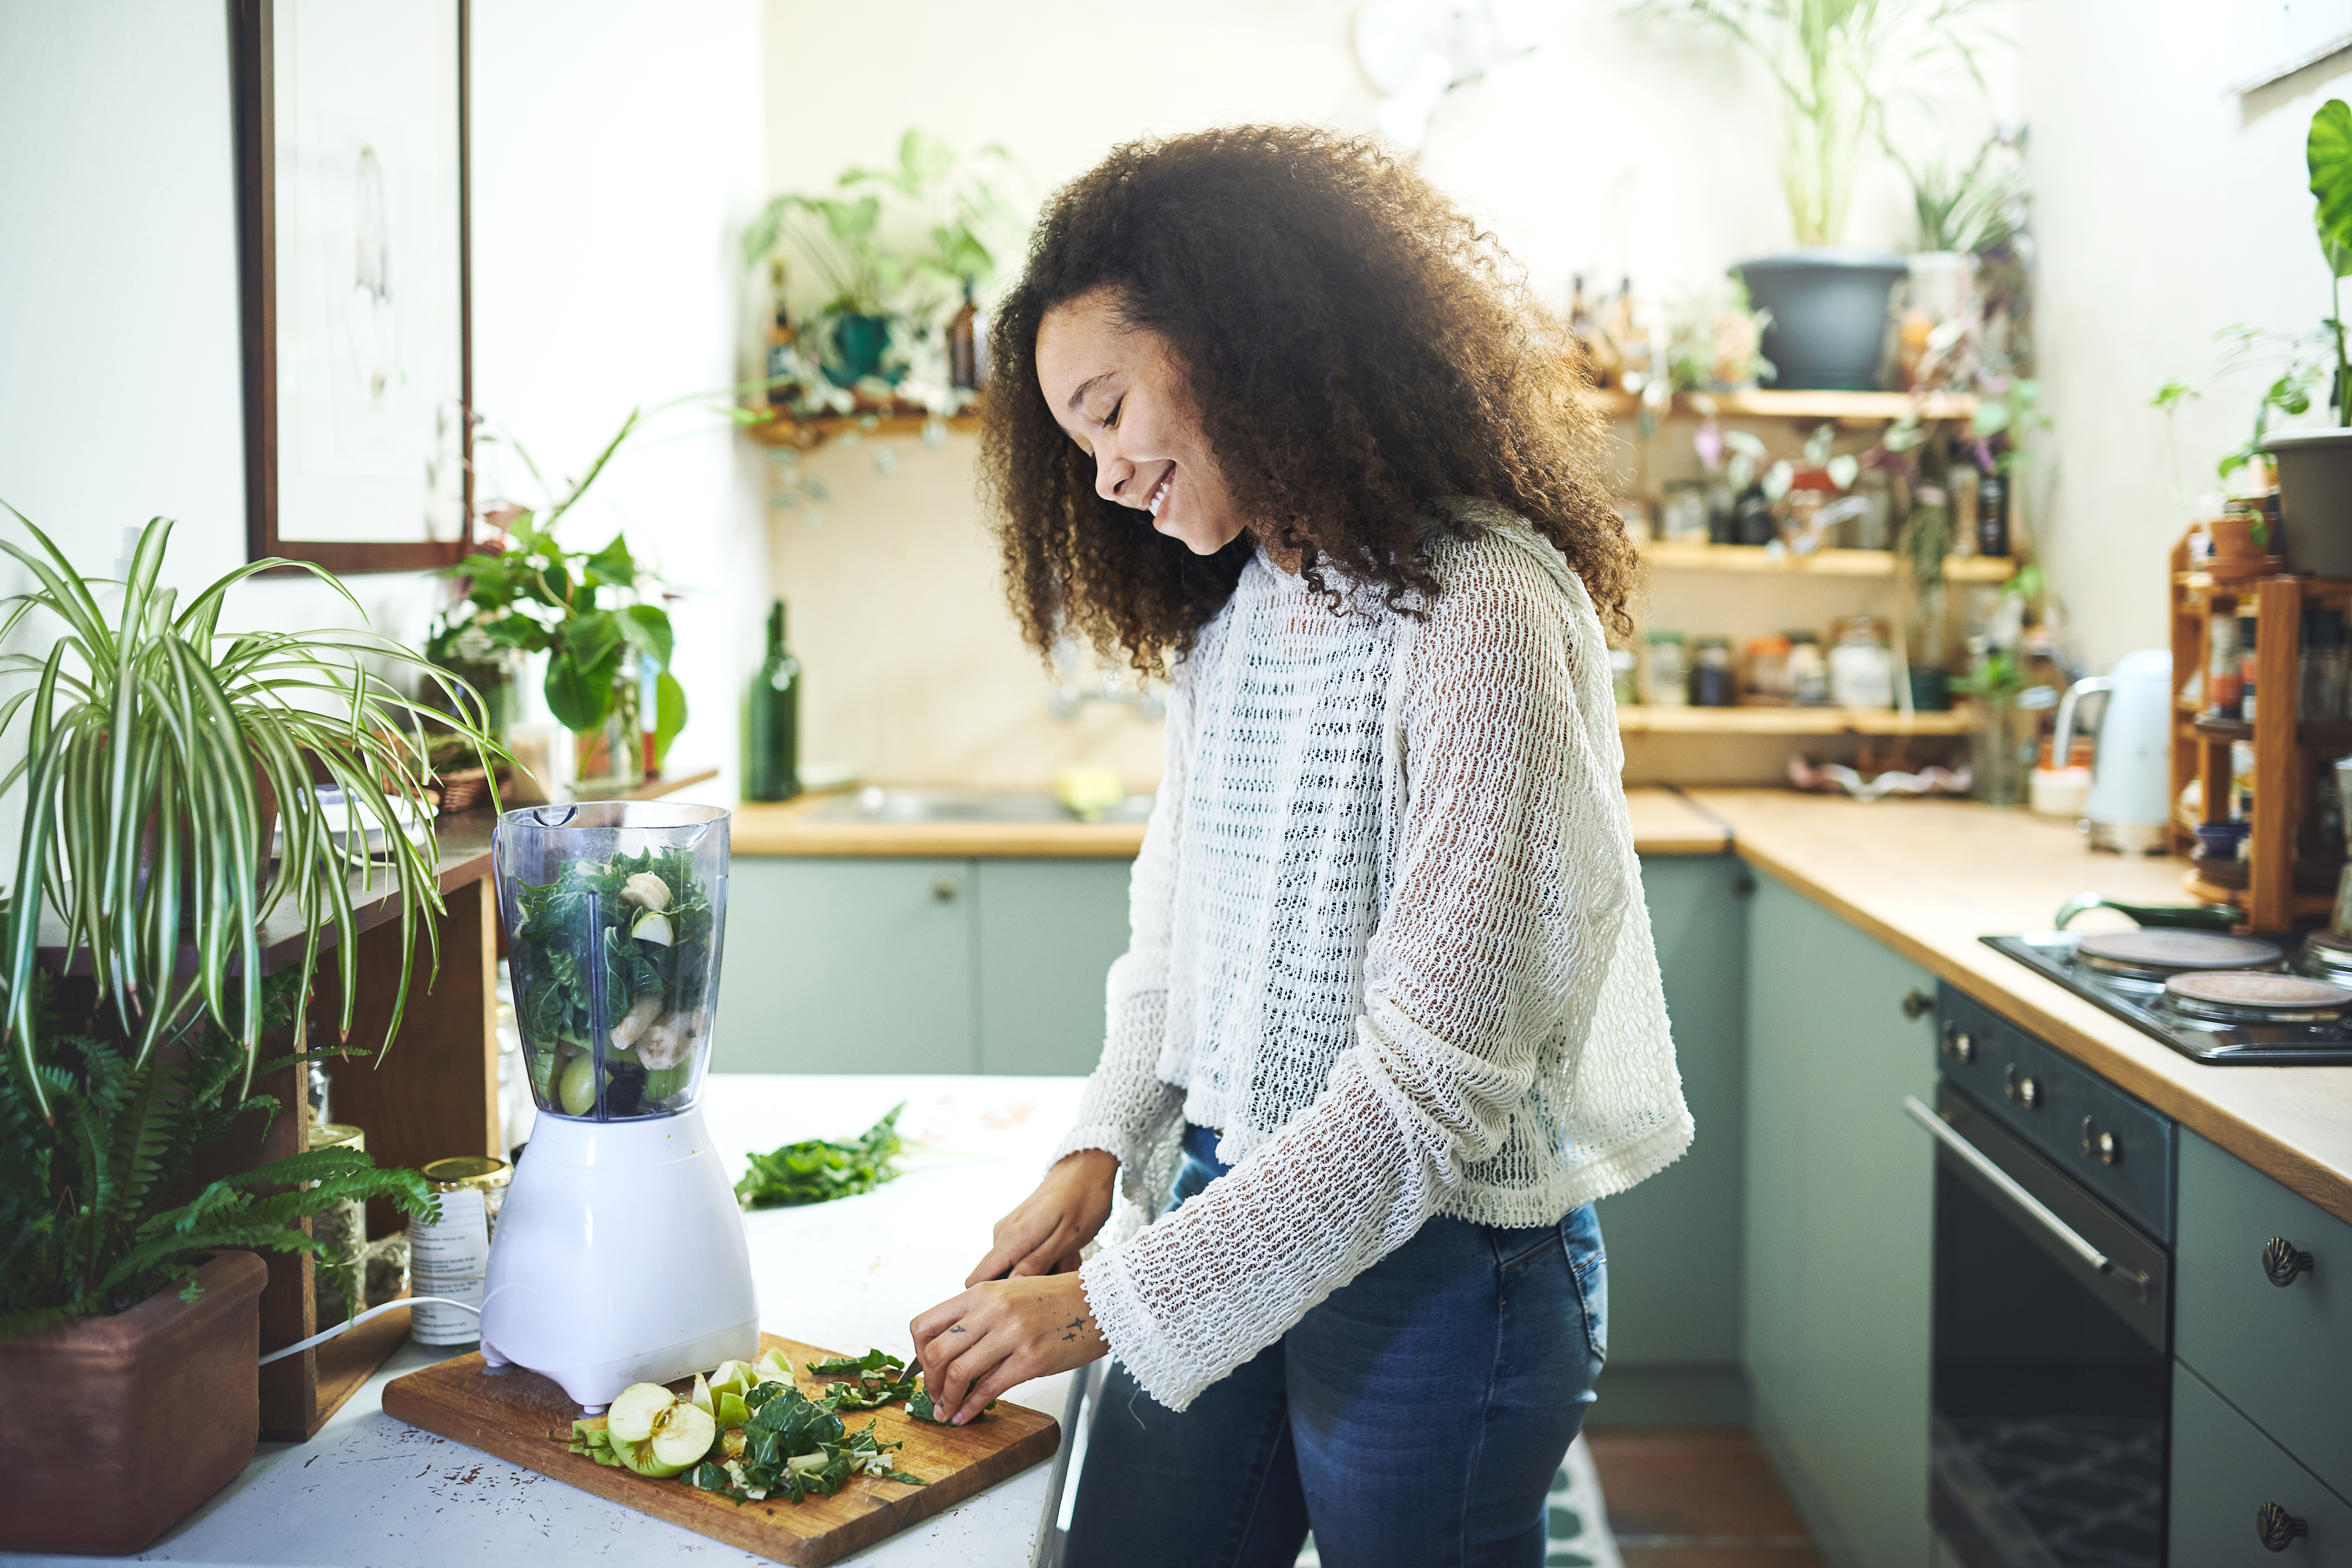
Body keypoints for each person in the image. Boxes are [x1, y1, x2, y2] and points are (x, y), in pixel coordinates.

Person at [909, 125, 1690, 1568]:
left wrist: (1098, 1305)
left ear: (1240, 342)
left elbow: (1431, 1092)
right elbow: (1175, 949)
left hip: (1449, 1264)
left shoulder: (1483, 614)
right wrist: (1103, 1144)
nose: (1100, 479)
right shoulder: (1238, 614)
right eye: (1071, 441)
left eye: (1111, 408)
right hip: (1230, 1190)